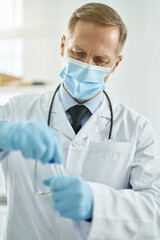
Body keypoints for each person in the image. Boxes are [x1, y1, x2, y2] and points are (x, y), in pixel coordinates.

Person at [0, 2, 160, 240]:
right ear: (63, 45)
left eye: (100, 60)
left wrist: (95, 204)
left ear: (115, 64)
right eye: (78, 53)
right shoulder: (16, 111)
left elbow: (154, 210)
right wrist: (4, 135)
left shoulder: (137, 129)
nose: (87, 66)